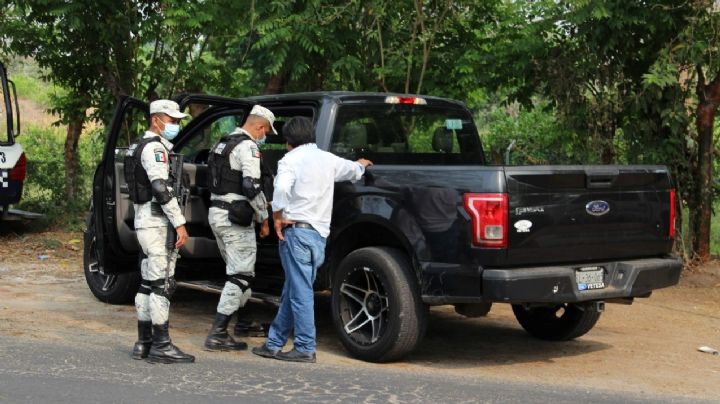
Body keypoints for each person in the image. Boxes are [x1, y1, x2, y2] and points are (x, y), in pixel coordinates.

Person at [252, 116, 372, 363]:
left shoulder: (289, 161)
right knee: (293, 289)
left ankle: (305, 347)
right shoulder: (327, 159)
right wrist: (361, 165)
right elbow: (352, 170)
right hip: (319, 237)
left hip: (296, 234)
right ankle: (274, 343)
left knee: (301, 292)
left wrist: (277, 216)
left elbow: (282, 190)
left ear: (288, 141)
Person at [126, 99, 194, 364]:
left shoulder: (137, 146)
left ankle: (144, 343)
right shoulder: (155, 148)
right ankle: (161, 345)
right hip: (157, 222)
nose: (175, 125)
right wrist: (179, 222)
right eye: (172, 120)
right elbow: (160, 187)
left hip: (144, 221)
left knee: (147, 283)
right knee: (163, 284)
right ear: (156, 120)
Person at [203, 105, 273, 351]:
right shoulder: (249, 147)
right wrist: (265, 217)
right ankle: (218, 333)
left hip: (217, 213)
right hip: (236, 217)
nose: (264, 137)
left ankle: (244, 322)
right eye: (265, 132)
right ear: (259, 127)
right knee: (241, 274)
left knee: (238, 271)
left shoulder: (222, 143)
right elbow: (251, 186)